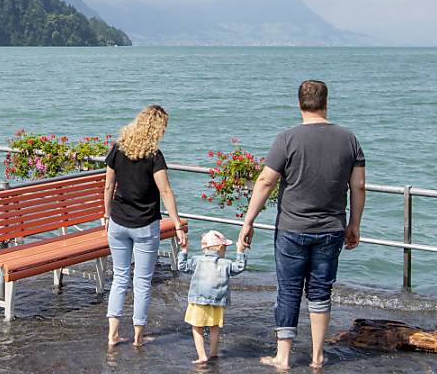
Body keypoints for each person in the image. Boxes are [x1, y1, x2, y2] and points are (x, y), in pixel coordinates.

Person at [238, 80, 366, 370]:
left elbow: (266, 181)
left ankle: (283, 358)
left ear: (299, 104)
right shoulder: (349, 139)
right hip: (332, 228)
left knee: (289, 291)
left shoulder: (287, 139)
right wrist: (355, 224)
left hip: (291, 228)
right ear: (326, 103)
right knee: (321, 291)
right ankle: (317, 356)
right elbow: (358, 186)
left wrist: (249, 221)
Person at [103, 104, 187, 347]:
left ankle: (113, 335)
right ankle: (138, 336)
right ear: (158, 129)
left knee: (119, 278)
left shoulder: (117, 150)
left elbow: (108, 187)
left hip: (118, 222)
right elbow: (166, 191)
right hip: (145, 225)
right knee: (141, 281)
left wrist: (107, 215)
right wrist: (178, 225)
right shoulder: (154, 156)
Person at [177, 230, 247, 364]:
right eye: (225, 247)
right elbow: (239, 267)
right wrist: (240, 251)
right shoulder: (225, 263)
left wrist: (184, 250)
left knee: (197, 327)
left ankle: (202, 355)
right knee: (214, 327)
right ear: (220, 248)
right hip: (217, 301)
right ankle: (213, 353)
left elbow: (182, 266)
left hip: (198, 300)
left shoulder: (196, 260)